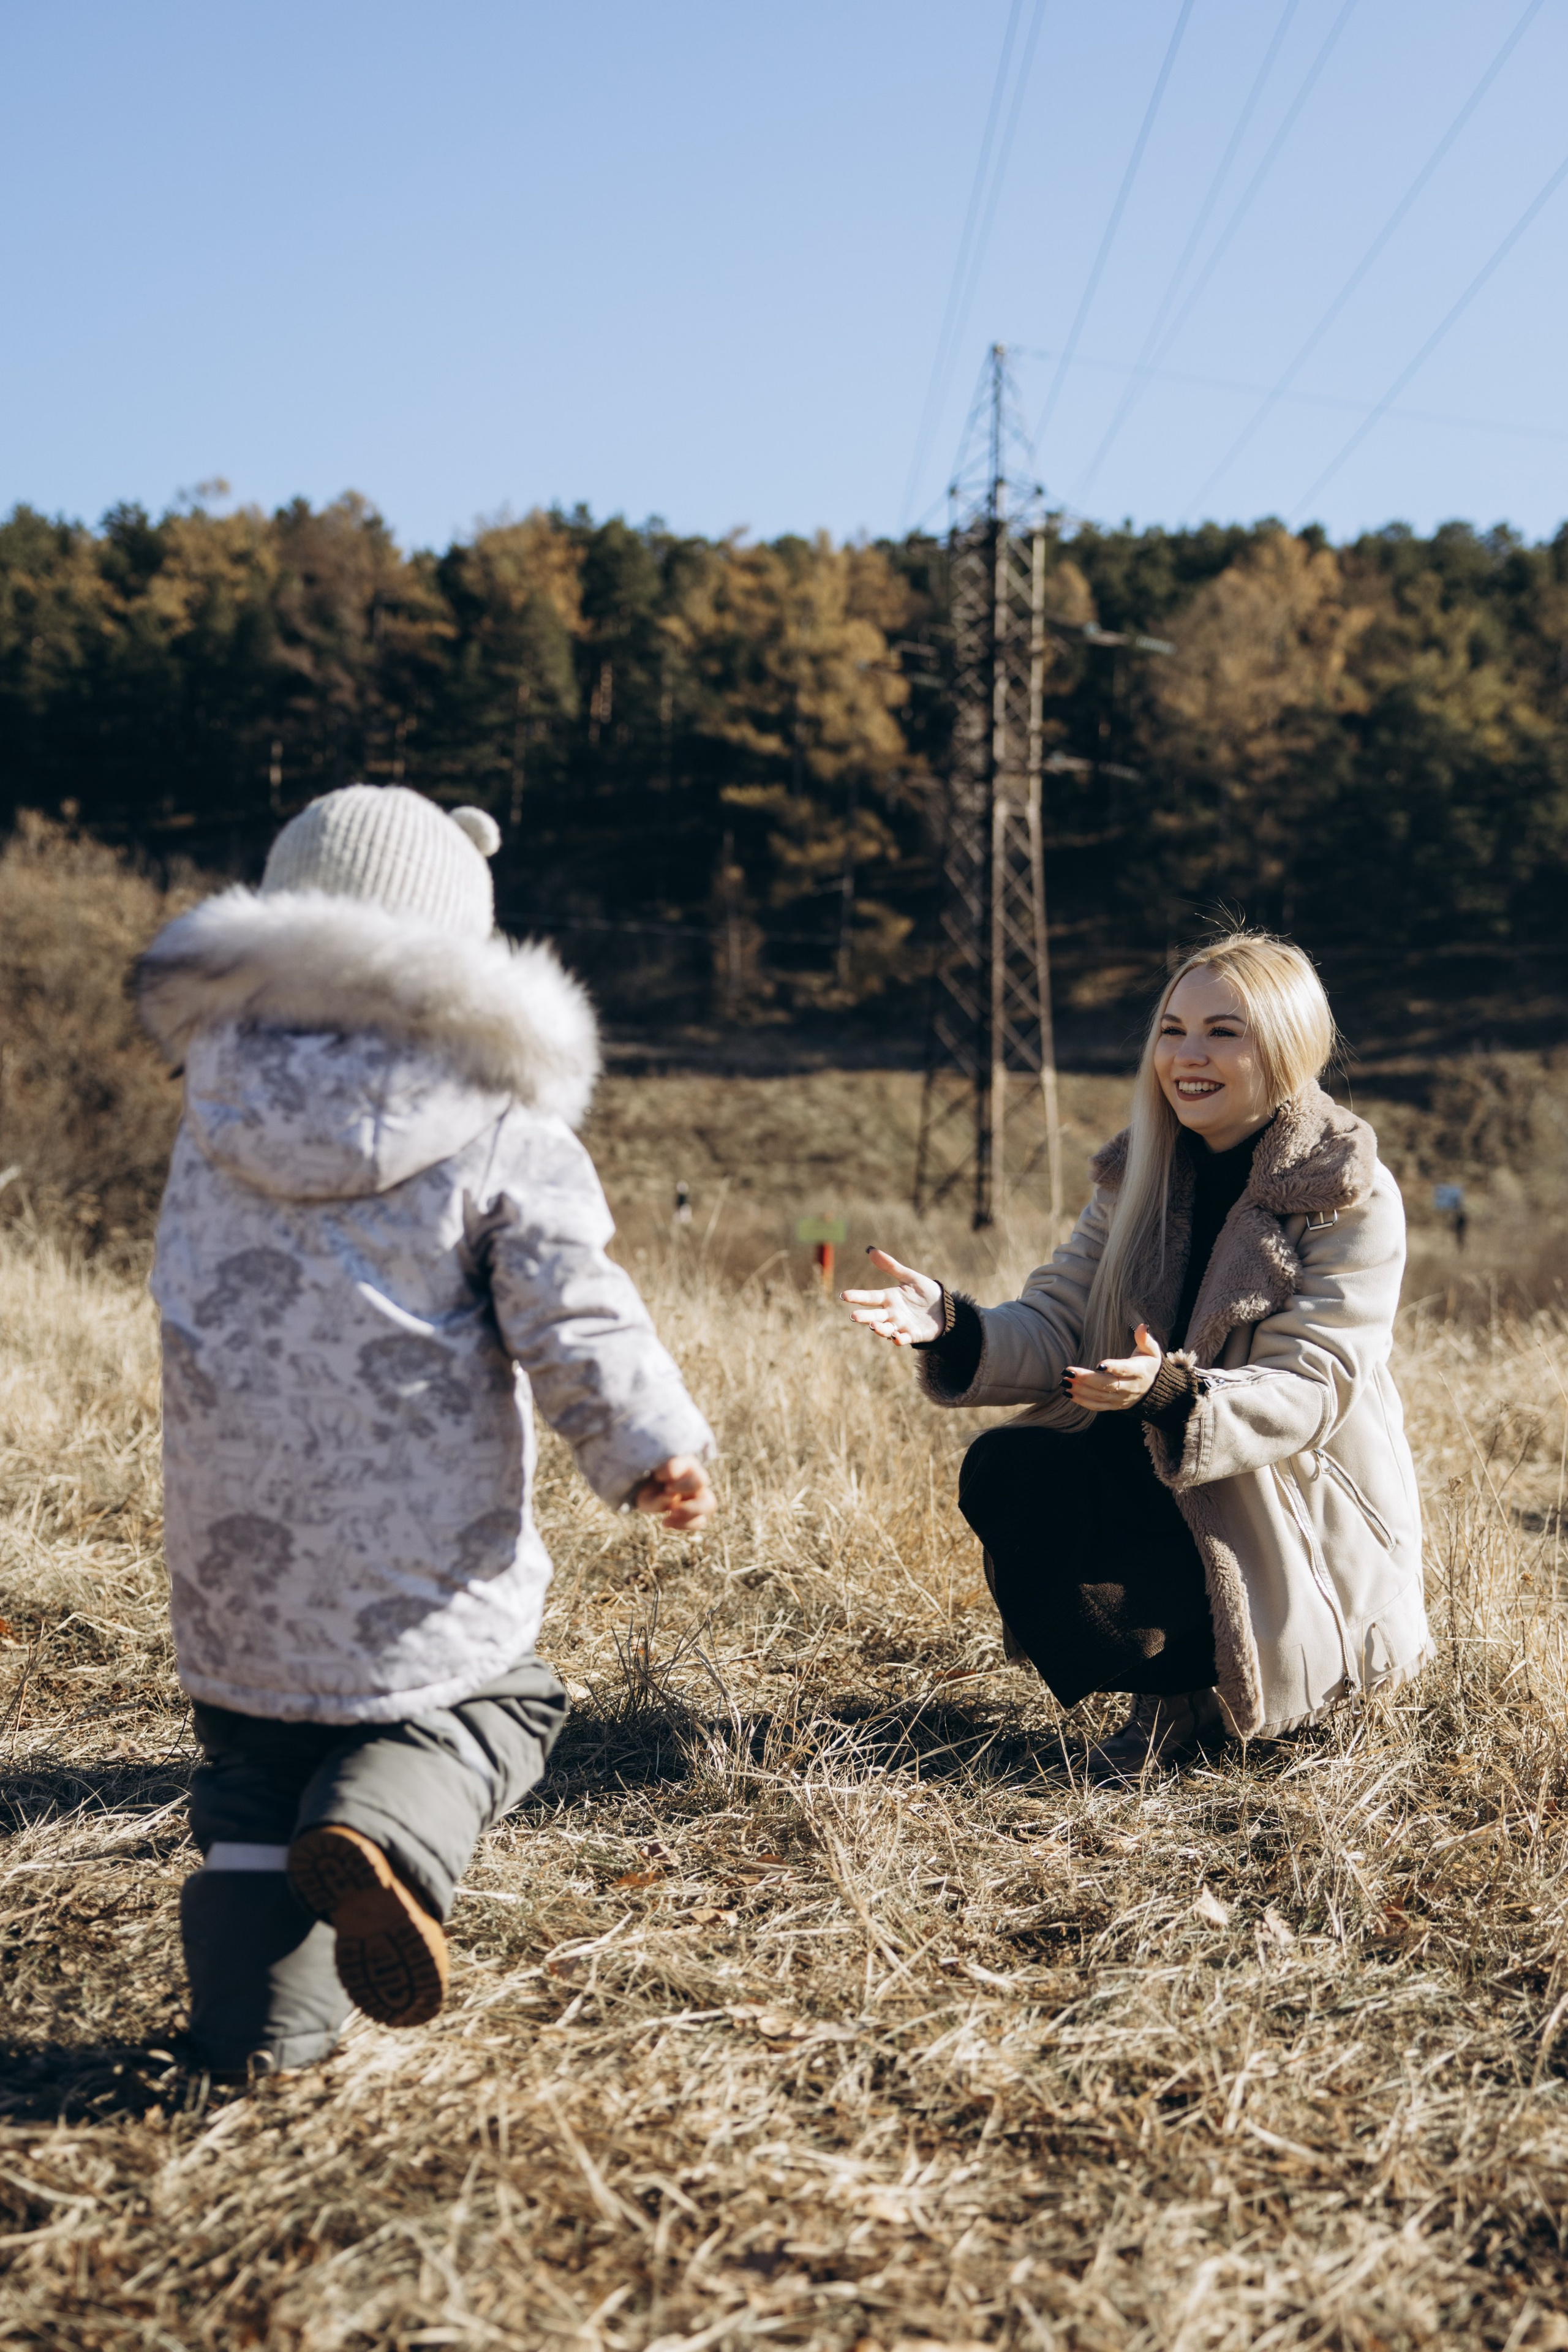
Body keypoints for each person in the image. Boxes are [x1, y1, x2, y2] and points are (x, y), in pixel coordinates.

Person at [136, 785, 717, 2076]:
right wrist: (647, 1447)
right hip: (420, 1559)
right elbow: (571, 1309)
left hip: (232, 1567)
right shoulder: (499, 1115)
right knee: (500, 1701)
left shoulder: (211, 1105)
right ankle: (388, 1830)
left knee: (246, 1789)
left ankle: (257, 2036)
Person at [842, 932, 1430, 1768]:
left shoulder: (1347, 1193)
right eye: (1172, 1030)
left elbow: (1314, 1381)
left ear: (1288, 1044)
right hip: (1154, 1464)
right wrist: (953, 1323)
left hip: (1278, 1501)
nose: (1189, 1056)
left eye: (1226, 1033)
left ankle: (1254, 1703)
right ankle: (1171, 1699)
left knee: (1179, 1482)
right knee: (1014, 1473)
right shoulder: (1139, 1178)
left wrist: (1172, 1396)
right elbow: (1056, 1321)